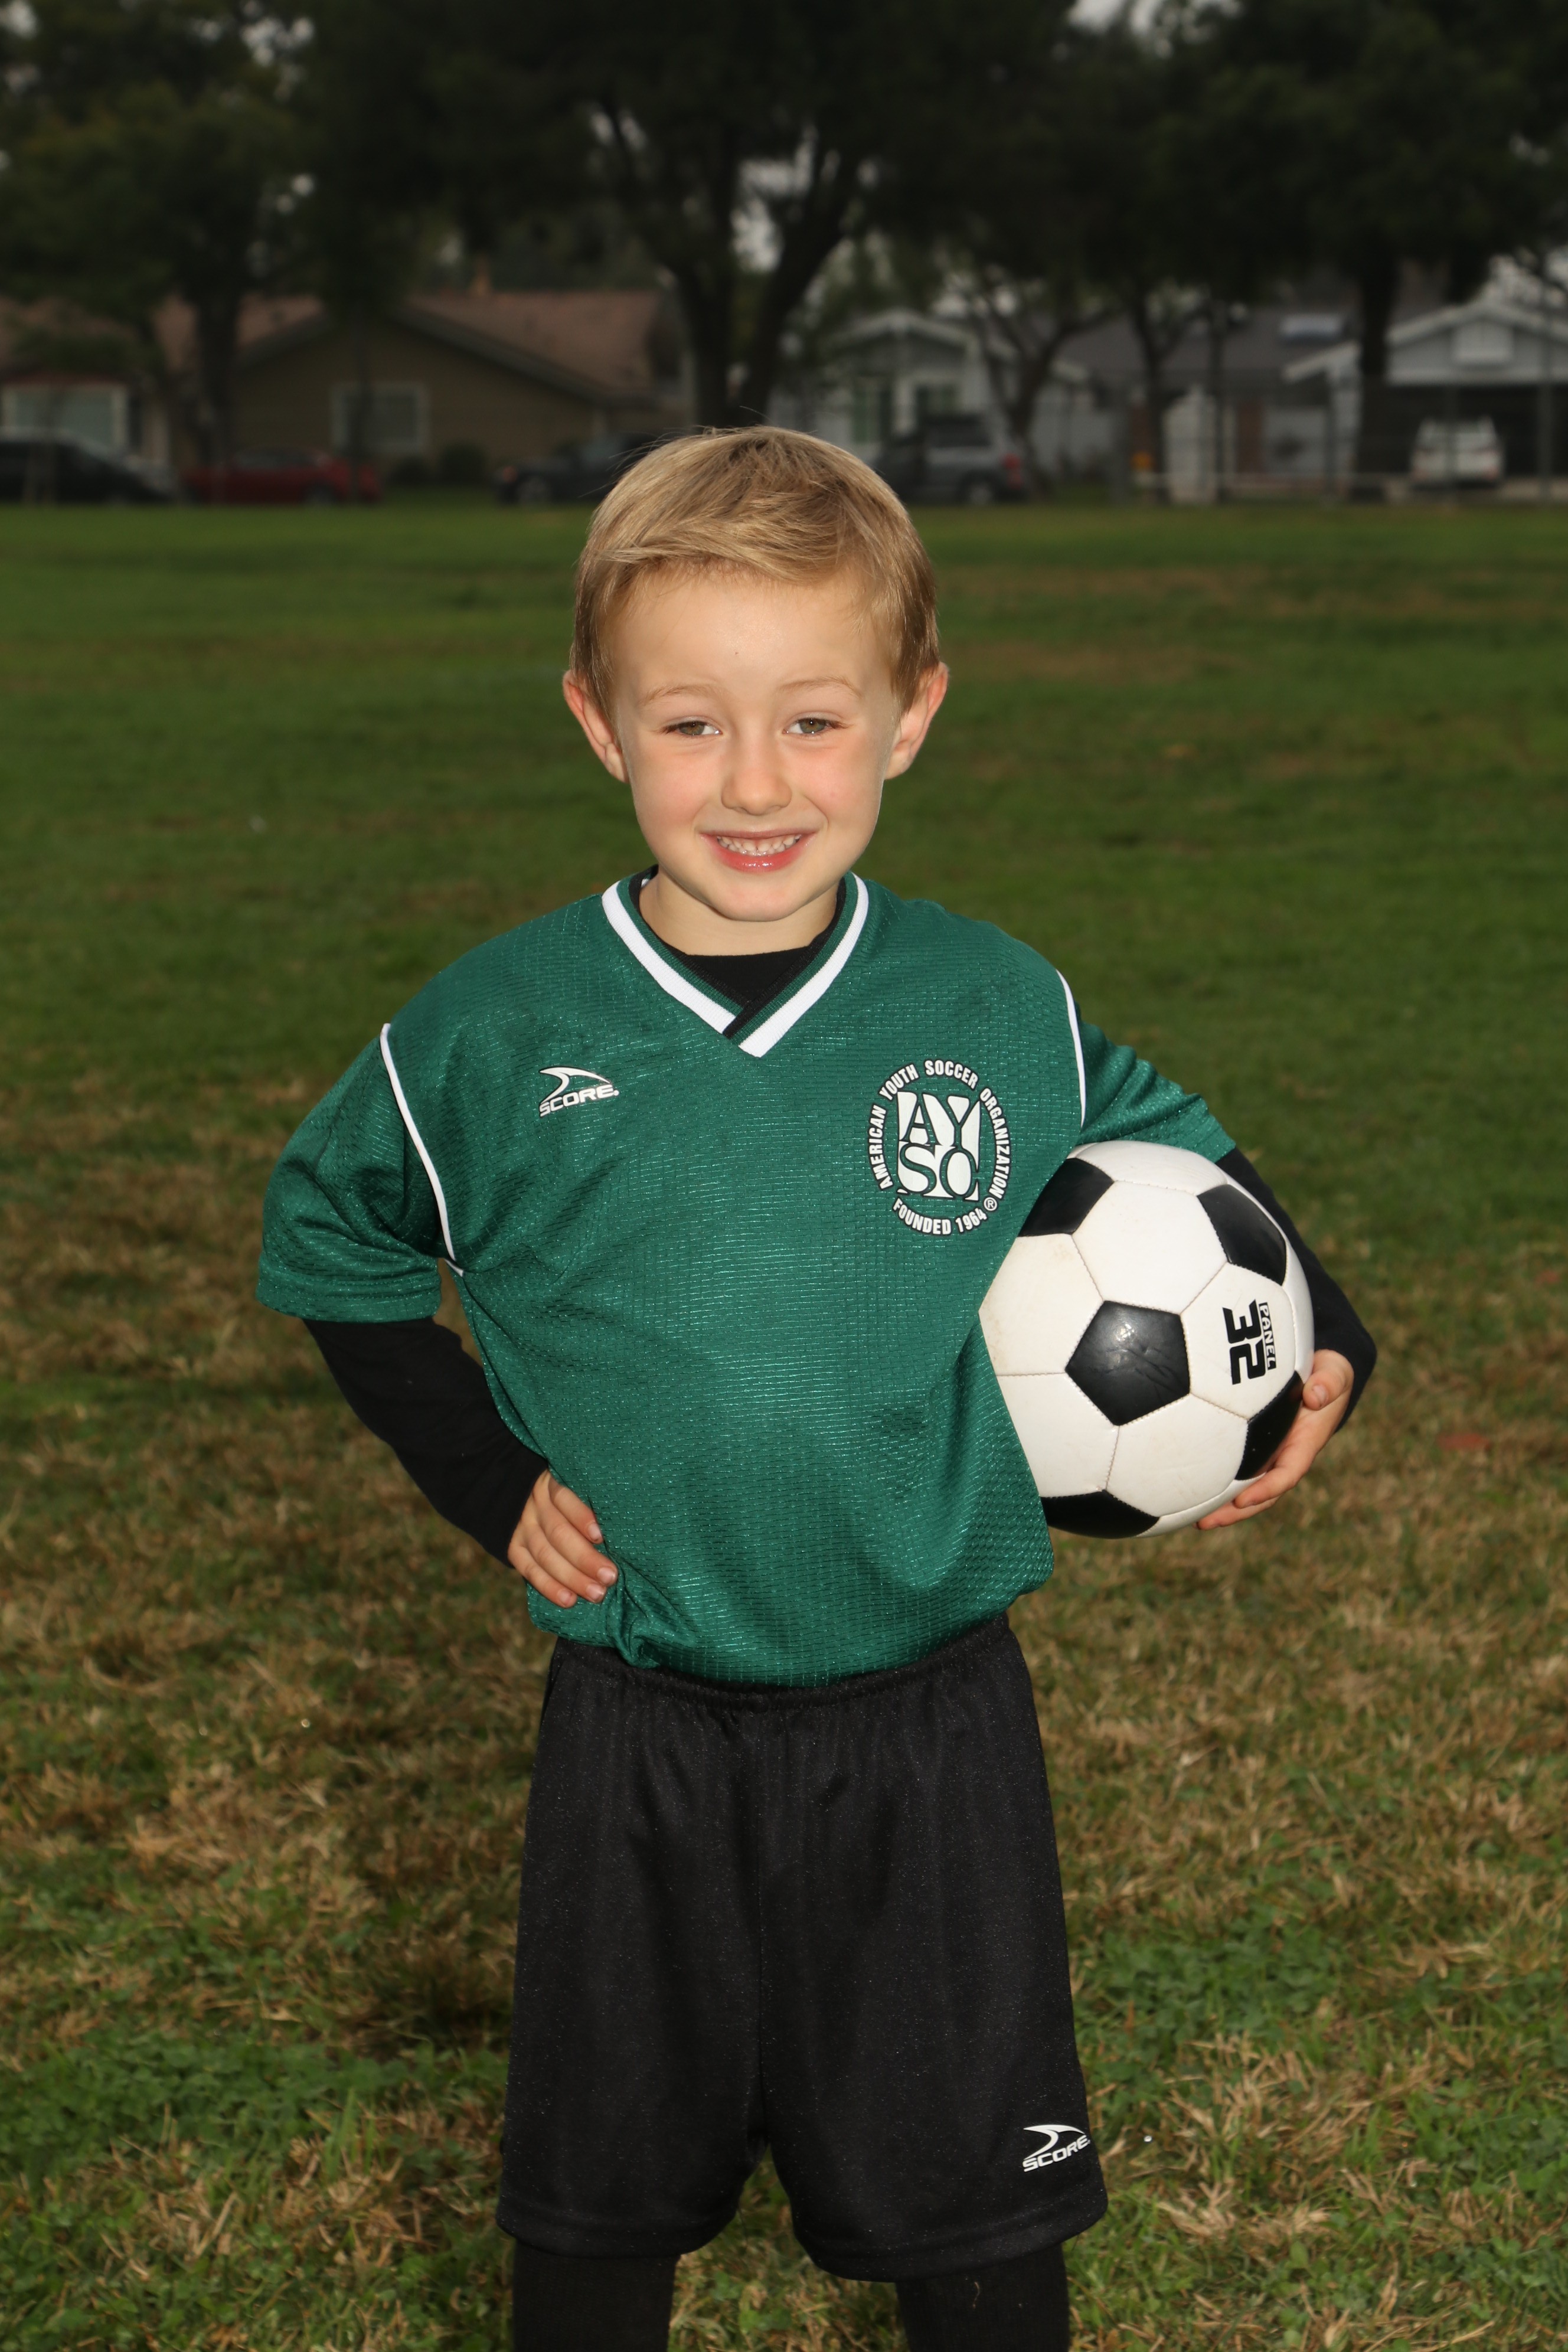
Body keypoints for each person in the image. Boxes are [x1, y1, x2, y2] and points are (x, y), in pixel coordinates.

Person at [257, 429, 1375, 2351]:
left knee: (977, 2222)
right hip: (641, 1730)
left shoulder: (989, 1003)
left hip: (935, 1731)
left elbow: (1185, 1157)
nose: (757, 784)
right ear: (598, 723)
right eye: (691, 725)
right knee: (600, 2212)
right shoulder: (495, 1033)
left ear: (911, 716)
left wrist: (1329, 1326)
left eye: (813, 721)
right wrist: (485, 1477)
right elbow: (330, 1236)